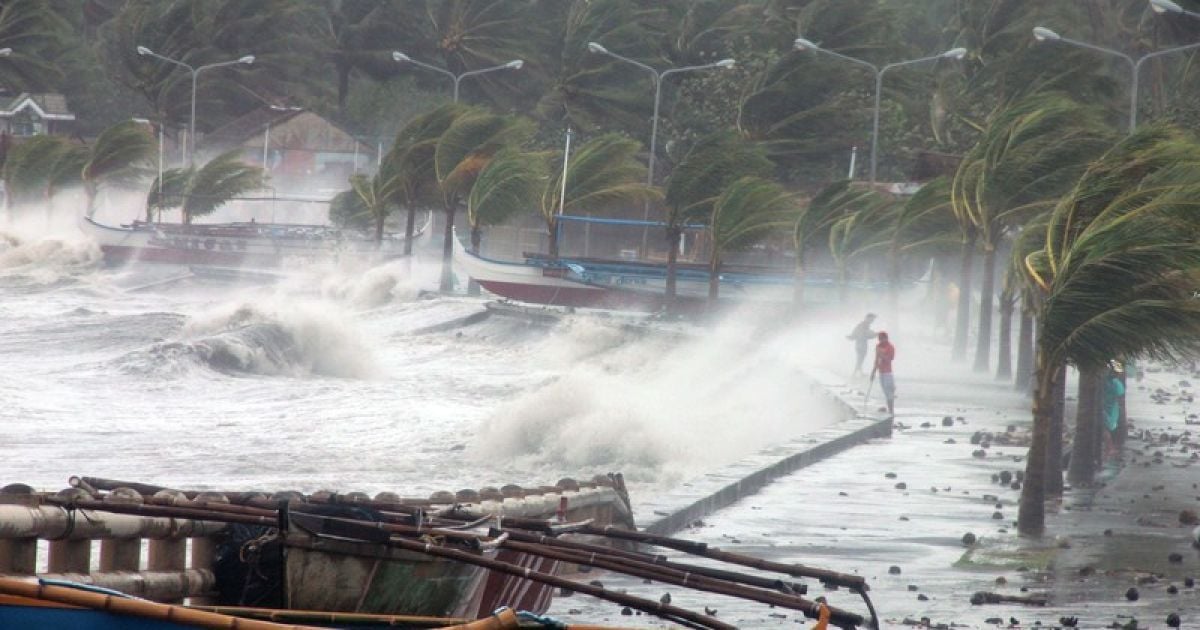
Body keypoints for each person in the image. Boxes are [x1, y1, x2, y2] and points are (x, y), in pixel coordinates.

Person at [871, 331, 896, 417]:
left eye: (881, 339)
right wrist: (873, 372)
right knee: (885, 392)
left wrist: (882, 354)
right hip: (881, 372)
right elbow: (876, 359)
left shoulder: (890, 347)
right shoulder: (878, 346)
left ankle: (891, 411)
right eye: (879, 339)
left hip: (888, 373)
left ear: (885, 338)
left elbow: (890, 359)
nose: (880, 341)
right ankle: (890, 410)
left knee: (889, 392)